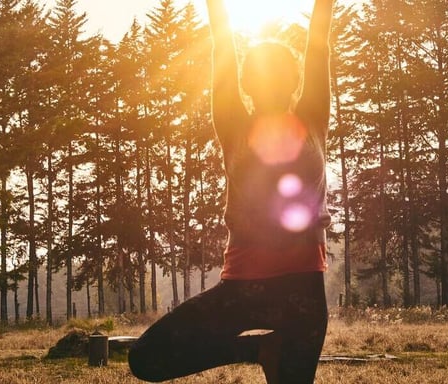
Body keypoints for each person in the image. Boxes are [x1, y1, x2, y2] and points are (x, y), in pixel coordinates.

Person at [128, 0, 334, 383]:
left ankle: (265, 350)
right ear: (246, 83)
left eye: (279, 73)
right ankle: (258, 350)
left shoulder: (312, 117)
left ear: (294, 81)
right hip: (242, 287)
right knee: (146, 359)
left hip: (302, 292)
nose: (270, 81)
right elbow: (221, 46)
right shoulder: (233, 124)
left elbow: (318, 42)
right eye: (261, 73)